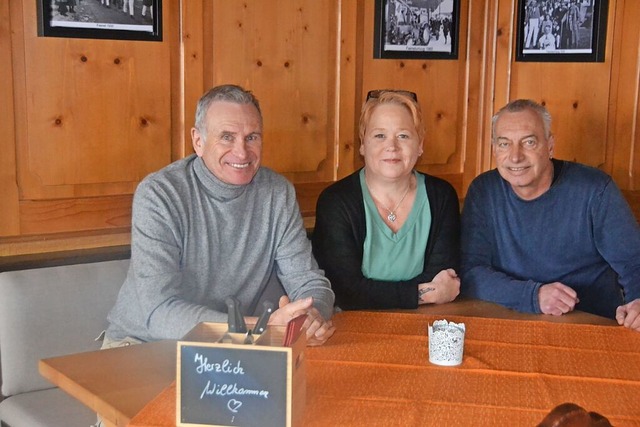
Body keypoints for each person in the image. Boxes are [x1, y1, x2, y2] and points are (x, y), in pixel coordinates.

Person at [104, 84, 336, 347]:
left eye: (252, 137)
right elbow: (159, 312)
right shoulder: (160, 194)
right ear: (198, 141)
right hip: (143, 344)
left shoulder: (277, 192)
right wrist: (261, 327)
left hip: (238, 344)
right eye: (227, 136)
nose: (242, 152)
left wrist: (311, 314)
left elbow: (307, 280)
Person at [460, 99, 640, 331]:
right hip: (509, 319)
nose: (515, 157)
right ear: (495, 149)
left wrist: (637, 302)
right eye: (504, 144)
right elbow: (470, 272)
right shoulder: (484, 190)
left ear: (550, 146)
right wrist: (534, 297)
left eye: (529, 142)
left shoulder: (595, 189)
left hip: (591, 324)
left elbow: (634, 263)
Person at [312, 90, 460, 310]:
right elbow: (346, 292)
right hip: (352, 327)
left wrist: (377, 293)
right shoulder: (336, 202)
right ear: (363, 144)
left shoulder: (441, 197)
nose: (392, 146)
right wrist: (423, 294)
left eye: (403, 135)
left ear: (420, 145)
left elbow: (444, 277)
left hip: (425, 323)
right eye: (379, 135)